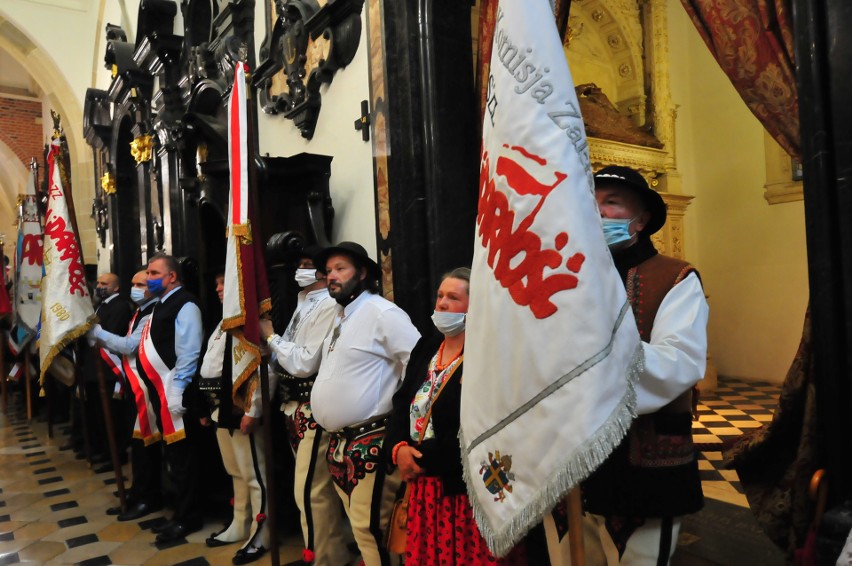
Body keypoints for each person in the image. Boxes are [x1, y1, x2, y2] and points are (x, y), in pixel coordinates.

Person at [546, 165, 709, 565]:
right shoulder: (564, 277)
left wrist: (593, 350)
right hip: (569, 461)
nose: (596, 213)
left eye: (611, 203)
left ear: (642, 219)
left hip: (643, 466)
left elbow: (679, 363)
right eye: (590, 203)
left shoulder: (675, 278)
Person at [385, 267, 526, 564]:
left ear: (475, 306)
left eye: (453, 297)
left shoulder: (486, 356)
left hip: (463, 490)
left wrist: (421, 458)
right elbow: (401, 403)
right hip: (422, 489)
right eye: (439, 296)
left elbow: (481, 424)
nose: (442, 304)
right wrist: (398, 449)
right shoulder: (425, 348)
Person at [310, 242, 421, 566]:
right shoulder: (340, 316)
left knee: (371, 528)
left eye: (340, 268)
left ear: (362, 273)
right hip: (341, 443)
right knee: (360, 529)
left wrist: (406, 424)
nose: (332, 276)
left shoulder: (382, 313)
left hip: (372, 441)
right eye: (328, 271)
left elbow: (417, 367)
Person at [259, 245, 353, 565]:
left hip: (312, 407)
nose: (303, 270)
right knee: (310, 490)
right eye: (299, 264)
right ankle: (325, 552)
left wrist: (271, 338)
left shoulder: (327, 305)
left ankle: (326, 557)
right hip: (292, 406)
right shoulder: (303, 303)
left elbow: (303, 362)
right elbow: (287, 356)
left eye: (310, 265)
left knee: (312, 491)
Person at [201, 271, 275, 564]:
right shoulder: (223, 322)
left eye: (223, 283)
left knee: (255, 474)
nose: (218, 288)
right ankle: (240, 522)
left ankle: (262, 532)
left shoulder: (250, 321)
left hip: (241, 409)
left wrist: (253, 409)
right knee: (235, 470)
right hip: (220, 406)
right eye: (216, 283)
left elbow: (262, 366)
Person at [138, 253, 204, 543]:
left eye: (154, 273)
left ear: (171, 277)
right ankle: (178, 512)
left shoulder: (186, 304)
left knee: (185, 459)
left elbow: (189, 351)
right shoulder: (160, 305)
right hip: (163, 394)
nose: (149, 278)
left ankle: (188, 517)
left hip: (179, 393)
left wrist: (178, 388)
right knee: (174, 459)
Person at [89, 269, 162, 521]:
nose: (136, 287)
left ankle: (147, 496)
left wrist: (96, 333)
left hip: (149, 387)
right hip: (135, 387)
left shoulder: (153, 311)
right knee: (137, 444)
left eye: (141, 283)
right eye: (133, 283)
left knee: (145, 445)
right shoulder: (138, 311)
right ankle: (137, 492)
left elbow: (130, 346)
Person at [73, 272, 134, 466]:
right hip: (93, 367)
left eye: (104, 283)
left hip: (109, 370)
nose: (99, 286)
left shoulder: (121, 306)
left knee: (113, 416)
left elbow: (112, 333)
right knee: (97, 414)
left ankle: (116, 453)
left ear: (116, 287)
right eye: (98, 282)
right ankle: (101, 448)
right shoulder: (100, 306)